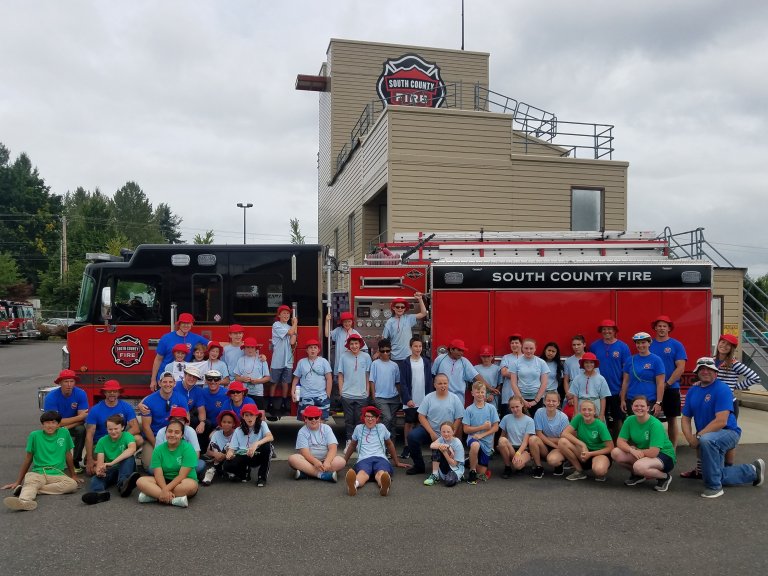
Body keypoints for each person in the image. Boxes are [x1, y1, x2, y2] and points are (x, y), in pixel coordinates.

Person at [681, 357, 764, 498]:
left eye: (709, 369)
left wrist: (698, 437)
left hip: (728, 432)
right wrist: (690, 439)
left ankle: (714, 487)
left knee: (707, 441)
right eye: (702, 369)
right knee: (711, 473)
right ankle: (753, 470)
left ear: (715, 372)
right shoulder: (693, 390)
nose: (705, 371)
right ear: (697, 372)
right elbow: (685, 418)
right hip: (708, 436)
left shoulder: (722, 389)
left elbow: (721, 421)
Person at [3, 410, 83, 512]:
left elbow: (68, 455)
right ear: (42, 424)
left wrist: (74, 475)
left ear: (58, 425)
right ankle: (24, 502)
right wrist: (18, 481)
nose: (50, 426)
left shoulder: (64, 433)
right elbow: (28, 458)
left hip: (56, 473)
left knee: (72, 485)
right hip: (38, 472)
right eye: (47, 422)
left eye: (53, 422)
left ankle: (34, 490)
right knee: (31, 482)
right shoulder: (34, 435)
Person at [611, 396, 676, 492]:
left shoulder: (655, 424)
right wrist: (631, 450)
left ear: (648, 408)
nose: (639, 408)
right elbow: (620, 441)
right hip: (644, 453)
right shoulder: (629, 420)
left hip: (664, 455)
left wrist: (636, 450)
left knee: (639, 466)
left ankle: (664, 477)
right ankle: (638, 475)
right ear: (632, 407)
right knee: (615, 453)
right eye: (636, 405)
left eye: (642, 406)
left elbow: (654, 452)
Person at [405, 374, 465, 476]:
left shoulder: (454, 398)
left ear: (448, 384)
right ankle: (419, 466)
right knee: (412, 436)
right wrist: (431, 432)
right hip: (430, 430)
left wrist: (452, 433)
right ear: (434, 385)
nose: (443, 386)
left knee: (445, 467)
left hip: (447, 433)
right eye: (440, 383)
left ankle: (448, 466)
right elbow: (421, 416)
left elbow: (459, 418)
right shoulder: (429, 397)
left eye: (445, 383)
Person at [343, 405, 408, 496]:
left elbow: (389, 444)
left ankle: (384, 486)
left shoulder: (381, 427)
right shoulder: (358, 428)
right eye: (367, 416)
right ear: (363, 418)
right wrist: (344, 461)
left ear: (377, 418)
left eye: (373, 417)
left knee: (381, 472)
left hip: (380, 458)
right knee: (363, 472)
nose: (370, 419)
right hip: (364, 458)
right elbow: (352, 445)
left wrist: (397, 462)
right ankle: (354, 485)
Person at [136, 418, 199, 507]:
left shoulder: (188, 448)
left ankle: (155, 497)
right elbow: (158, 474)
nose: (172, 435)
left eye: (177, 432)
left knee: (190, 486)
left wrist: (165, 490)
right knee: (140, 481)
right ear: (165, 433)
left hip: (183, 481)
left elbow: (182, 476)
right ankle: (174, 500)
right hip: (164, 481)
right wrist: (164, 489)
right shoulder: (158, 449)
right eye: (169, 431)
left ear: (182, 435)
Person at [84, 379, 142, 476]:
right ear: (104, 393)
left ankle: (118, 463)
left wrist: (118, 437)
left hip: (119, 441)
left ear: (119, 392)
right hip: (101, 444)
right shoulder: (95, 410)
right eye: (109, 391)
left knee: (138, 439)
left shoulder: (126, 407)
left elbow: (136, 428)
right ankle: (117, 467)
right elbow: (89, 435)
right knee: (92, 472)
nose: (112, 394)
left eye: (115, 391)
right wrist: (90, 458)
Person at [81, 414, 140, 505]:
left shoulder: (127, 436)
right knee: (95, 479)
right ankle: (99, 494)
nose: (113, 432)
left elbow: (132, 449)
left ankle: (123, 485)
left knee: (129, 457)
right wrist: (99, 471)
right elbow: (100, 463)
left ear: (122, 427)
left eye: (116, 429)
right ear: (107, 429)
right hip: (111, 469)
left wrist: (112, 463)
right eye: (110, 429)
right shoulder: (102, 441)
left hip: (124, 467)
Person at [649, 315, 687, 447]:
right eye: (659, 326)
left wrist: (667, 383)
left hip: (671, 388)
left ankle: (673, 449)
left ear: (669, 328)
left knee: (671, 419)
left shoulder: (676, 345)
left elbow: (681, 367)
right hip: (652, 389)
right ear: (655, 328)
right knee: (651, 419)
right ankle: (653, 447)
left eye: (664, 326)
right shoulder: (649, 344)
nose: (661, 328)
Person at [589, 319, 631, 437]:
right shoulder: (594, 346)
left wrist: (623, 390)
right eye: (604, 329)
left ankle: (618, 443)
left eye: (609, 329)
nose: (607, 331)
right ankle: (602, 443)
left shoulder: (623, 347)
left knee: (618, 418)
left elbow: (626, 371)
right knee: (598, 417)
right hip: (598, 391)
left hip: (616, 390)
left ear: (614, 331)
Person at [139, 372, 189, 469]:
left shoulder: (181, 399)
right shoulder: (149, 401)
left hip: (174, 436)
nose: (168, 384)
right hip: (154, 437)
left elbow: (186, 420)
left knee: (180, 465)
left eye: (170, 382)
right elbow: (146, 426)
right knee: (150, 467)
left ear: (174, 383)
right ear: (159, 383)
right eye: (165, 382)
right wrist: (156, 445)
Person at [43, 369, 88, 472]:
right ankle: (53, 462)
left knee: (81, 430)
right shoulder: (51, 397)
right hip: (54, 426)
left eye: (71, 381)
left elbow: (83, 419)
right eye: (66, 381)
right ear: (60, 383)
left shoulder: (81, 394)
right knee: (51, 430)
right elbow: (52, 422)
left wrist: (64, 426)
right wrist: (78, 418)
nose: (69, 385)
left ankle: (75, 461)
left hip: (70, 426)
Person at [149, 312, 208, 390]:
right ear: (179, 324)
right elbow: (158, 359)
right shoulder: (166, 338)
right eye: (183, 323)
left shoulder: (196, 338)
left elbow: (212, 344)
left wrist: (229, 345)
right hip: (166, 377)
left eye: (188, 323)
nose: (186, 325)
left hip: (183, 379)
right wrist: (153, 380)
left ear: (191, 324)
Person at [559, 400, 615, 481]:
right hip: (584, 451)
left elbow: (610, 448)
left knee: (599, 470)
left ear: (594, 412)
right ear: (580, 411)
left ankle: (600, 467)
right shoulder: (578, 418)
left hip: (599, 453)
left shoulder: (600, 425)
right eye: (584, 409)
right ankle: (579, 471)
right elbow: (564, 433)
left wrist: (591, 454)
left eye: (590, 410)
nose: (587, 412)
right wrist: (582, 444)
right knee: (562, 442)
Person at [398, 337, 434, 459]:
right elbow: (403, 383)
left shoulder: (426, 362)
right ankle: (407, 446)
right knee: (409, 423)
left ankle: (415, 446)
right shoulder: (405, 363)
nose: (418, 349)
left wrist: (429, 398)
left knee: (420, 422)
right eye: (415, 346)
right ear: (410, 347)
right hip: (411, 399)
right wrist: (407, 399)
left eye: (420, 346)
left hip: (423, 399)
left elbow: (429, 381)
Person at [288, 405, 346, 482]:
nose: (314, 420)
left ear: (320, 418)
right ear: (305, 419)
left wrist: (327, 462)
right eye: (310, 418)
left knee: (341, 461)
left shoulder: (326, 428)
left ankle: (307, 473)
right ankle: (322, 475)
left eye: (316, 417)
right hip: (309, 462)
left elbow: (333, 447)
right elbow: (304, 452)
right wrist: (315, 462)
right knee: (292, 459)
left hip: (326, 461)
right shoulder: (302, 431)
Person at [224, 404, 274, 486]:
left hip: (258, 454)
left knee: (267, 446)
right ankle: (245, 472)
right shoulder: (238, 430)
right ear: (243, 417)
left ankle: (262, 477)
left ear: (256, 416)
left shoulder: (262, 424)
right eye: (246, 415)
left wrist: (256, 443)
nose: (249, 418)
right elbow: (232, 449)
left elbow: (270, 437)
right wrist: (230, 454)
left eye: (251, 415)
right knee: (227, 465)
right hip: (244, 455)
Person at [326, 310, 368, 410]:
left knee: (348, 382)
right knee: (338, 383)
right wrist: (326, 321)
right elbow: (327, 335)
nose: (347, 324)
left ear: (352, 322)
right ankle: (339, 403)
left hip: (351, 364)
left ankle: (347, 403)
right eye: (345, 322)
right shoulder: (338, 331)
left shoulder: (355, 333)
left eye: (349, 321)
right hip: (339, 362)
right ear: (342, 323)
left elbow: (363, 348)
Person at [338, 333, 373, 447]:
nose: (354, 346)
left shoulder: (366, 357)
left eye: (356, 343)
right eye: (352, 344)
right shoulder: (343, 356)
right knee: (348, 420)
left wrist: (368, 391)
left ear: (360, 344)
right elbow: (340, 375)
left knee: (360, 420)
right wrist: (341, 391)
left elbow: (368, 375)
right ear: (348, 345)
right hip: (347, 394)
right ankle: (349, 441)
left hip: (362, 395)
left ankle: (358, 442)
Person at [620, 332, 665, 418]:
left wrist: (658, 402)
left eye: (643, 342)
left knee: (647, 428)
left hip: (649, 401)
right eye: (638, 343)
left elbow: (660, 383)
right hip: (632, 401)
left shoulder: (656, 360)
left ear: (649, 343)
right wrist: (622, 400)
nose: (640, 345)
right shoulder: (630, 360)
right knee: (633, 427)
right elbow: (625, 382)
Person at [463, 381, 499, 483]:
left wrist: (482, 434)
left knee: (482, 473)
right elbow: (466, 429)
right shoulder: (469, 409)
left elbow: (495, 427)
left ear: (485, 393)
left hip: (486, 442)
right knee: (475, 445)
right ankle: (472, 471)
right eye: (477, 392)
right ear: (472, 393)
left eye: (482, 392)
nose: (480, 394)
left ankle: (470, 461)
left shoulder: (491, 408)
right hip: (473, 439)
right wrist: (482, 427)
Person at [154, 407, 207, 477]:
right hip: (167, 463)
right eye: (174, 419)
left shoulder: (190, 431)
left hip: (185, 462)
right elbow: (158, 454)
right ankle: (179, 476)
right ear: (169, 420)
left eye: (181, 420)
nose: (177, 422)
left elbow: (196, 453)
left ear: (185, 422)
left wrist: (184, 467)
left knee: (200, 464)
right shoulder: (161, 432)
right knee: (151, 468)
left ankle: (172, 476)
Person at [432, 338, 489, 403]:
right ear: (451, 349)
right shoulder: (440, 359)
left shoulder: (464, 361)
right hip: (441, 395)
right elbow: (433, 375)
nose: (461, 353)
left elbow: (476, 376)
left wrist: (490, 388)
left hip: (459, 397)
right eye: (459, 350)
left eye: (462, 351)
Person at [530, 391, 570, 477]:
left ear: (558, 403)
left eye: (554, 401)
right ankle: (538, 467)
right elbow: (538, 434)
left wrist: (553, 443)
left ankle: (559, 464)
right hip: (546, 445)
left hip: (558, 446)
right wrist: (553, 442)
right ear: (544, 401)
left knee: (552, 460)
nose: (551, 403)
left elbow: (563, 439)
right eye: (548, 400)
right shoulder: (539, 412)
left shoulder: (563, 417)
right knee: (532, 439)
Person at [291, 339, 332, 420]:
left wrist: (328, 394)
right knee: (307, 421)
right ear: (307, 350)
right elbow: (296, 379)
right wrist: (293, 392)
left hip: (321, 397)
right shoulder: (301, 362)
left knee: (321, 422)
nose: (313, 350)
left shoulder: (324, 362)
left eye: (315, 347)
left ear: (318, 350)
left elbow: (329, 378)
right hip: (305, 397)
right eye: (310, 348)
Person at [269, 304, 298, 415]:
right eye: (284, 313)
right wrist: (295, 323)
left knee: (286, 382)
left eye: (288, 313)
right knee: (274, 382)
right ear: (279, 315)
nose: (286, 315)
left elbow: (292, 342)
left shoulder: (290, 326)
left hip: (288, 360)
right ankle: (271, 403)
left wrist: (294, 326)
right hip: (277, 359)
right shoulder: (276, 325)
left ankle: (284, 403)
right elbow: (290, 333)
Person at [369, 338, 402, 435]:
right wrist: (374, 397)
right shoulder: (375, 364)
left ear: (390, 351)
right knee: (387, 418)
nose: (385, 353)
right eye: (382, 351)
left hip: (394, 398)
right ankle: (383, 440)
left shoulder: (394, 365)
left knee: (392, 422)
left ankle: (391, 446)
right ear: (379, 351)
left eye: (387, 351)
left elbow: (398, 383)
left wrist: (400, 397)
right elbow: (372, 381)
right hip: (380, 398)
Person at [382, 293, 427, 361]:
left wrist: (420, 299)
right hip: (394, 356)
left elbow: (423, 313)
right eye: (397, 307)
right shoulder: (389, 322)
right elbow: (383, 339)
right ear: (393, 308)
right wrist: (382, 353)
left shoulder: (408, 318)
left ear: (405, 308)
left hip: (408, 356)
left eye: (402, 307)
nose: (400, 308)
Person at [497, 396, 535, 478]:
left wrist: (518, 453)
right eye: (512, 407)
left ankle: (521, 464)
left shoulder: (529, 420)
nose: (515, 409)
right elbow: (502, 435)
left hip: (523, 449)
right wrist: (500, 445)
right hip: (510, 447)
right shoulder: (506, 418)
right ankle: (507, 467)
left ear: (522, 404)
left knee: (518, 466)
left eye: (517, 406)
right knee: (502, 440)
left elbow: (525, 442)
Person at [510, 338, 549, 417]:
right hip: (520, 399)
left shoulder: (541, 363)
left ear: (535, 348)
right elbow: (513, 383)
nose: (528, 351)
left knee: (537, 424)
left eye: (531, 348)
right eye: (526, 348)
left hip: (537, 399)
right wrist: (522, 400)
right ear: (522, 348)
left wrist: (536, 400)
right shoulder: (516, 363)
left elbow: (544, 383)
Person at [567, 352, 610, 420]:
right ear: (583, 364)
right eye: (586, 362)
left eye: (591, 362)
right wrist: (575, 412)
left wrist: (601, 414)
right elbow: (575, 396)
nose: (589, 365)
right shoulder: (577, 378)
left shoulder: (601, 379)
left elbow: (603, 398)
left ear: (594, 364)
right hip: (581, 404)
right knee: (580, 426)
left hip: (595, 404)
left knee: (596, 427)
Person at [202, 409, 239, 486]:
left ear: (233, 424)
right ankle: (222, 471)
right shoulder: (216, 434)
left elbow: (239, 450)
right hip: (218, 457)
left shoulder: (237, 433)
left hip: (232, 457)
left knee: (228, 446)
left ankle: (213, 470)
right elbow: (208, 451)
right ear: (221, 423)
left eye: (229, 422)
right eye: (224, 422)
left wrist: (225, 455)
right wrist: (215, 454)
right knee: (213, 445)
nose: (226, 424)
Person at [424, 421, 465, 487]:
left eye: (448, 432)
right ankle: (435, 475)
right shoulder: (441, 439)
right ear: (440, 432)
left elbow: (454, 464)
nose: (446, 434)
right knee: (436, 447)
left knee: (449, 482)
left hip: (455, 467)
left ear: (453, 432)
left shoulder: (457, 443)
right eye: (443, 432)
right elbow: (431, 445)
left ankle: (459, 476)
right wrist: (447, 446)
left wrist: (444, 452)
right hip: (445, 464)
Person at [234, 337, 270, 411]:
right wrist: (242, 379)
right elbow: (236, 377)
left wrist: (257, 381)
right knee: (244, 412)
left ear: (256, 349)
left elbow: (267, 378)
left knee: (260, 412)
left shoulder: (261, 360)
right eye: (247, 347)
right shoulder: (241, 360)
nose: (250, 350)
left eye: (252, 347)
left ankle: (261, 423)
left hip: (258, 393)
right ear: (244, 348)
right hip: (244, 393)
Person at [499, 334, 523, 417]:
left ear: (521, 344)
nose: (514, 345)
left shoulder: (526, 357)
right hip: (507, 395)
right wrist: (521, 374)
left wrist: (511, 372)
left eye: (516, 343)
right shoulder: (506, 357)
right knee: (506, 419)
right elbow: (504, 372)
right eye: (512, 343)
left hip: (523, 396)